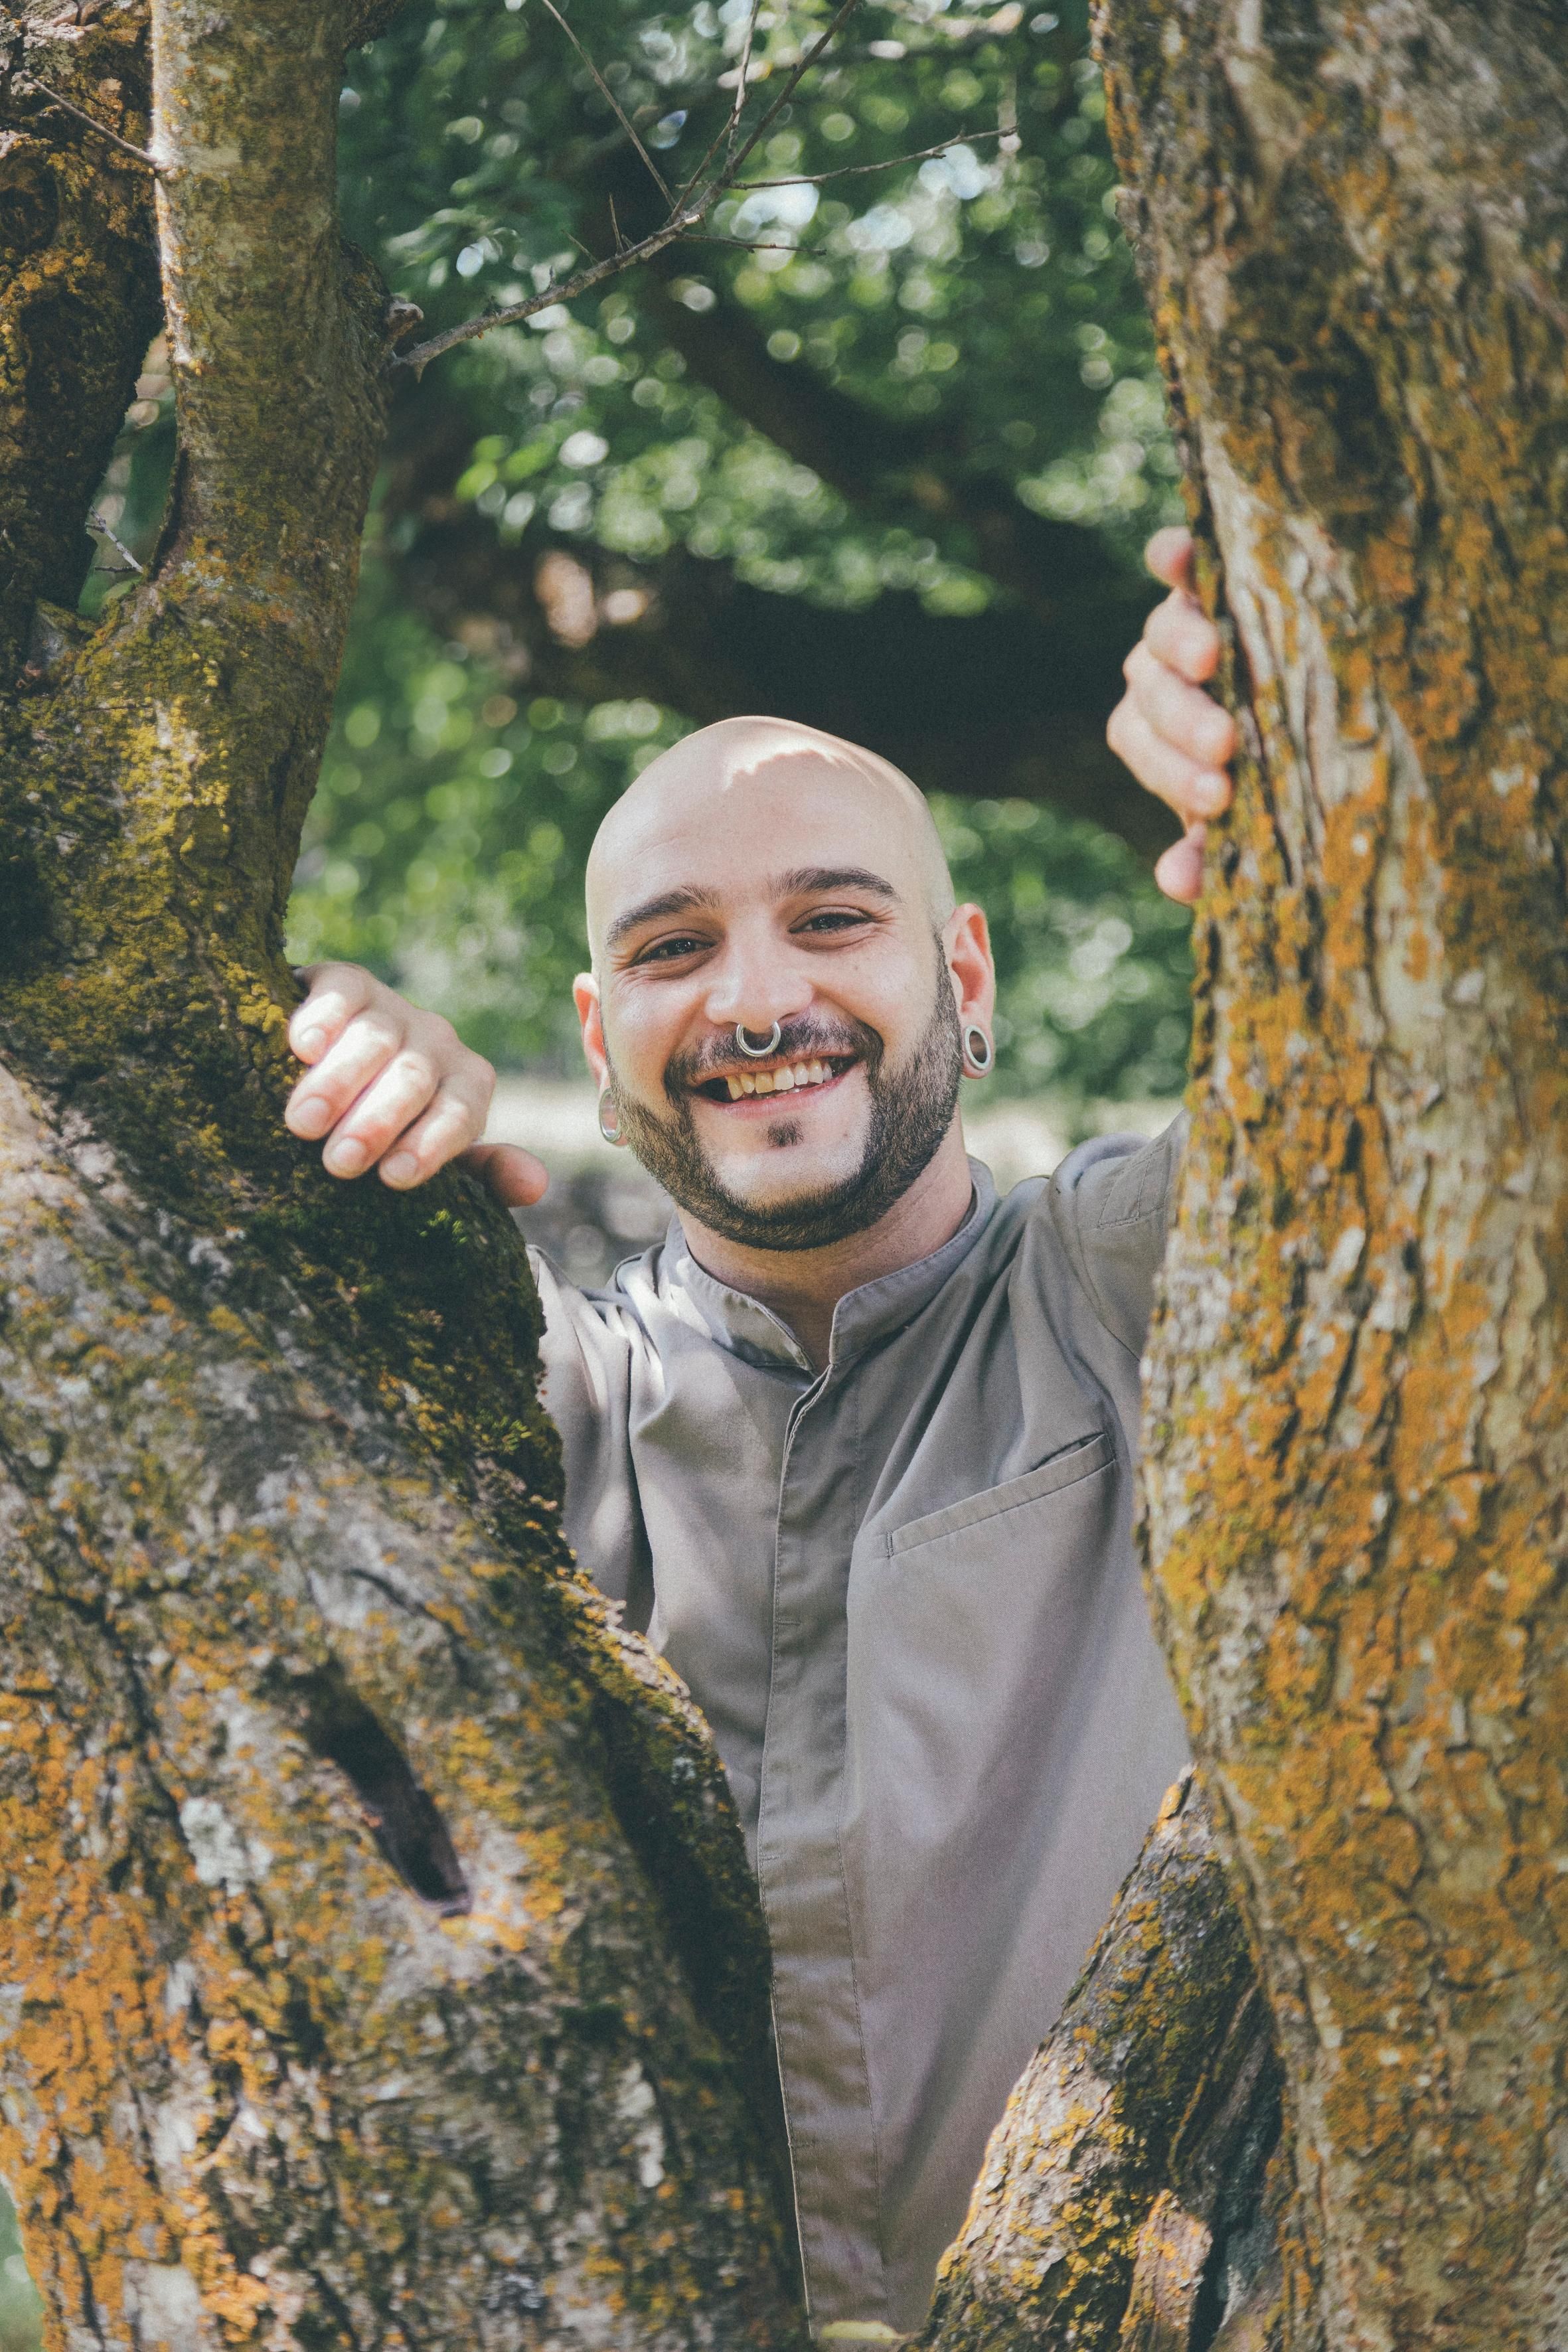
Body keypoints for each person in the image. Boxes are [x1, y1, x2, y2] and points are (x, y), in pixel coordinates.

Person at [281, 528, 1237, 2340]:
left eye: (830, 918)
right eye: (669, 948)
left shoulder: (1133, 1289)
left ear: (965, 974)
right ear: (598, 1025)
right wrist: (279, 1068)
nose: (751, 1001)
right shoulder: (514, 1385)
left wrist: (1323, 763)